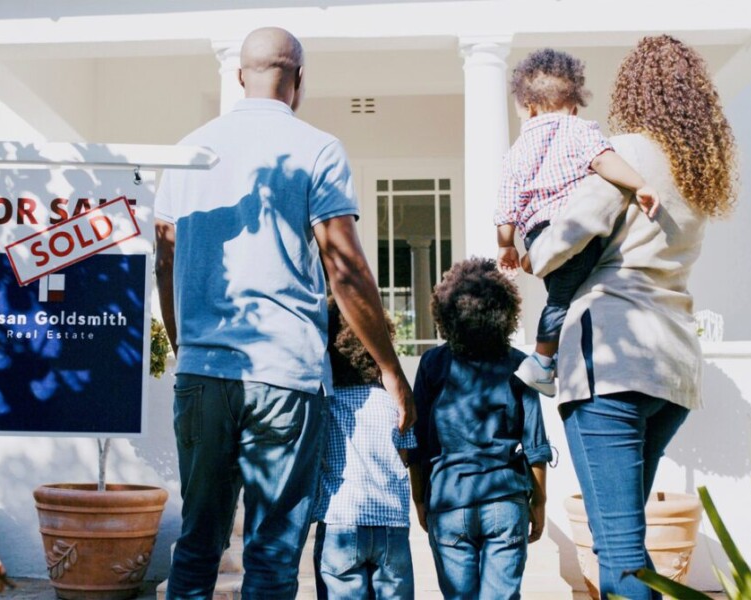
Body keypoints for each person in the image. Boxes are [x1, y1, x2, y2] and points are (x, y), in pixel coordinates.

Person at [154, 27, 415, 599]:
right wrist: (392, 372)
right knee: (272, 557)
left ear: (239, 75)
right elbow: (344, 270)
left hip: (203, 373)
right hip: (286, 378)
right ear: (298, 83)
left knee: (196, 546)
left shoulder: (188, 152)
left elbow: (166, 261)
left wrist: (186, 350)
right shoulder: (317, 148)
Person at [523, 35, 737, 600]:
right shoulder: (698, 165)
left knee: (618, 552)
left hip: (612, 361)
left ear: (633, 90)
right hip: (673, 367)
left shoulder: (630, 153)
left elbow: (561, 242)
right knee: (627, 538)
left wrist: (530, 246)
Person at [494, 48, 660, 397]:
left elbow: (507, 207)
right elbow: (603, 161)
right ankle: (540, 361)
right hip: (575, 229)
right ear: (573, 105)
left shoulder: (515, 151)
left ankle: (547, 350)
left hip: (539, 234)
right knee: (563, 300)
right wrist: (640, 184)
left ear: (530, 108)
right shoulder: (579, 128)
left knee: (560, 295)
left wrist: (506, 246)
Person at [409, 258, 552, 600]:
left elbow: (417, 442)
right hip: (504, 501)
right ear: (504, 312)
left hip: (449, 499)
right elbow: (536, 444)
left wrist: (420, 499)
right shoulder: (519, 364)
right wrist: (539, 505)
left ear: (446, 314)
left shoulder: (433, 363)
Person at [312, 297, 417, 600]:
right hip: (392, 524)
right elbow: (405, 456)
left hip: (340, 522)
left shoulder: (327, 407)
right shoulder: (396, 404)